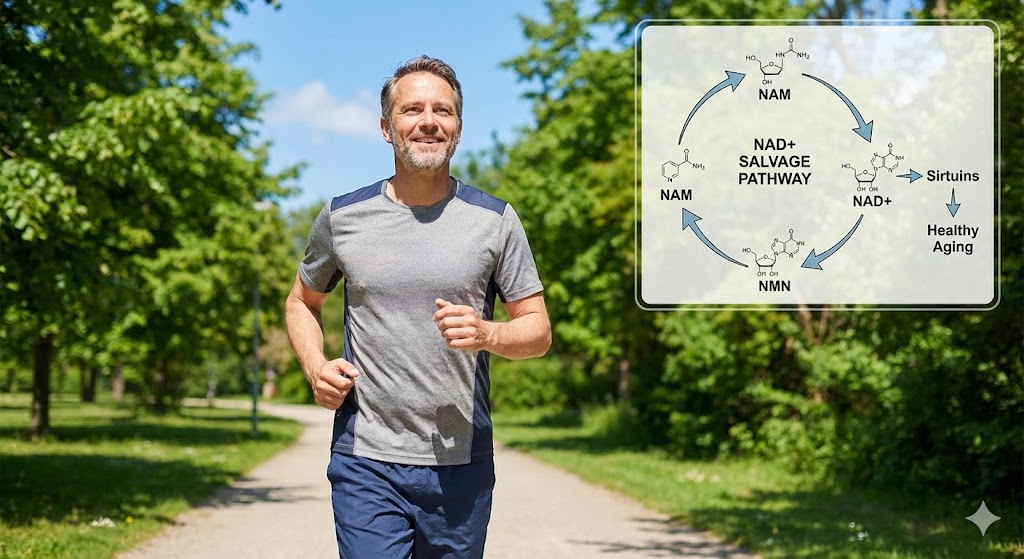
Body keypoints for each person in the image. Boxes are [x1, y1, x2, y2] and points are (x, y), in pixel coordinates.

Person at [284, 55, 551, 559]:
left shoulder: (495, 221)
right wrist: (315, 367)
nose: (428, 121)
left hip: (461, 464)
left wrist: (488, 334)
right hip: (366, 458)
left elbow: (537, 331)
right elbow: (302, 302)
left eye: (442, 111)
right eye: (412, 110)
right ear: (387, 128)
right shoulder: (343, 218)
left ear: (458, 128)